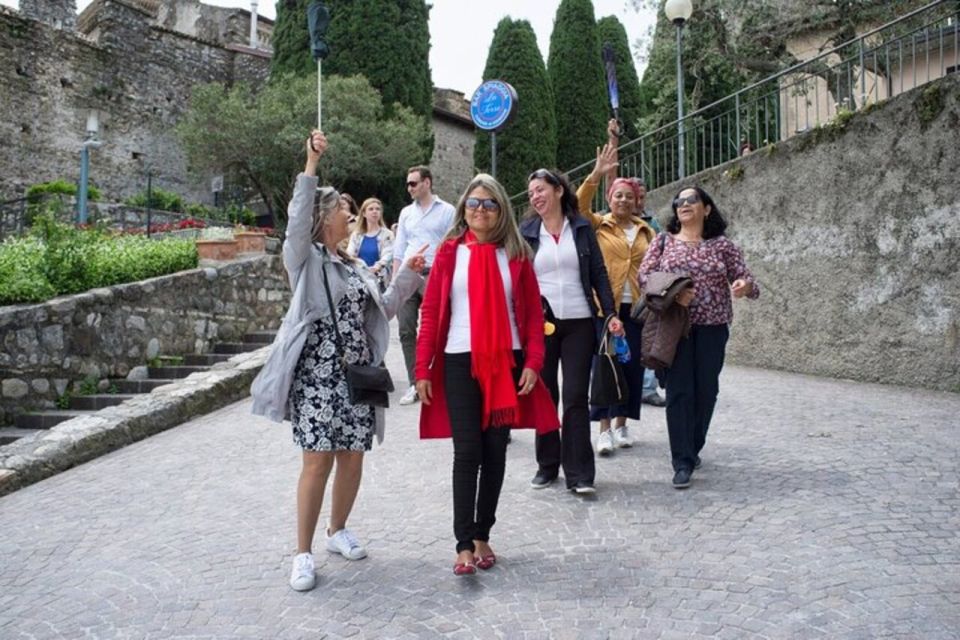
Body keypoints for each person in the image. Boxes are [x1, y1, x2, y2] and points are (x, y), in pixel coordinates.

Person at [250, 131, 427, 592]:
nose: (350, 213)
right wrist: (310, 165)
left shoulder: (353, 266)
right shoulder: (304, 259)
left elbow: (384, 308)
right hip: (316, 375)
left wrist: (409, 273)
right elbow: (293, 223)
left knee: (352, 457)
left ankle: (338, 530)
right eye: (342, 210)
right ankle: (302, 553)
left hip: (356, 373)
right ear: (323, 218)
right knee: (317, 461)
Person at [415, 174, 559, 575]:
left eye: (489, 204)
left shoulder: (516, 255)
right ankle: (463, 545)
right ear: (464, 209)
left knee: (495, 452)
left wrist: (533, 362)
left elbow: (532, 317)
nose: (480, 210)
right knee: (468, 452)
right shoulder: (449, 252)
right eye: (474, 203)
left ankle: (483, 534)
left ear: (501, 211)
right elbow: (430, 314)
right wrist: (422, 368)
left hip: (506, 363)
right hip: (459, 360)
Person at [638, 186, 759, 489]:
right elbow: (644, 276)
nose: (684, 204)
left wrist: (744, 286)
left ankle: (693, 445)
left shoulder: (723, 246)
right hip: (674, 327)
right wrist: (674, 293)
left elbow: (746, 279)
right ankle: (681, 461)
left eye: (692, 199)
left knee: (706, 391)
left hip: (713, 327)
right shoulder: (664, 241)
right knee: (679, 392)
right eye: (679, 201)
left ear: (706, 208)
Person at [521, 168, 621, 495]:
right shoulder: (527, 232)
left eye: (540, 190)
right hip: (542, 325)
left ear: (559, 191)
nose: (535, 196)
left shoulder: (580, 227)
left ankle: (579, 473)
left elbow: (599, 274)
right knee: (546, 393)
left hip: (579, 322)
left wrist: (610, 314)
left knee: (575, 396)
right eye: (531, 192)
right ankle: (547, 465)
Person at [577, 141, 656, 455]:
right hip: (606, 309)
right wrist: (597, 173)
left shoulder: (646, 231)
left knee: (632, 366)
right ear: (609, 199)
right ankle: (604, 429)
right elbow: (579, 206)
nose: (623, 200)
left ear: (637, 201)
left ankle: (622, 425)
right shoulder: (598, 223)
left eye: (629, 196)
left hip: (637, 308)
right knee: (605, 365)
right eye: (618, 195)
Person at [393, 165, 456, 406]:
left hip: (434, 274)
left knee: (440, 329)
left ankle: (438, 380)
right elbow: (399, 248)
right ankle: (414, 383)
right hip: (408, 274)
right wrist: (394, 282)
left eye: (413, 183)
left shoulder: (447, 211)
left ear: (427, 183)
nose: (409, 188)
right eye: (408, 184)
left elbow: (452, 244)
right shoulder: (406, 213)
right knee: (406, 330)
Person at [346, 197, 394, 289]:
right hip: (360, 279)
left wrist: (377, 267)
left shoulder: (387, 234)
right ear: (364, 213)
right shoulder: (356, 235)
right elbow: (349, 254)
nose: (374, 211)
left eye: (377, 209)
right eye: (371, 209)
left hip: (380, 280)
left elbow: (388, 255)